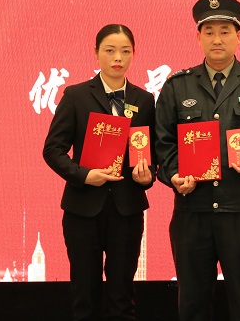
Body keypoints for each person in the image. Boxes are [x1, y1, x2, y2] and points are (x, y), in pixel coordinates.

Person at [154, 0, 240, 321]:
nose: (217, 39)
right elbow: (163, 142)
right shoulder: (177, 86)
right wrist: (174, 175)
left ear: (239, 36)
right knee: (192, 305)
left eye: (225, 31)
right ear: (198, 37)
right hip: (192, 212)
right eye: (210, 32)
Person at [42, 24, 156, 321]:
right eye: (110, 50)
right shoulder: (76, 95)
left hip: (127, 209)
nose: (118, 57)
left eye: (125, 51)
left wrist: (148, 176)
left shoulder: (144, 100)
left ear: (133, 54)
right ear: (96, 53)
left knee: (122, 294)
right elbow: (53, 150)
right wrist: (83, 175)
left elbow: (151, 152)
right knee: (85, 294)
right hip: (82, 209)